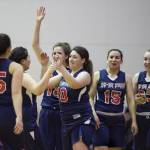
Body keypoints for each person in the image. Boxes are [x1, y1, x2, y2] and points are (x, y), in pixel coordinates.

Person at [32, 6, 71, 150]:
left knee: (62, 146)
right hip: (47, 111)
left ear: (66, 56)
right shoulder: (48, 65)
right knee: (44, 146)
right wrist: (38, 23)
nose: (55, 56)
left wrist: (62, 73)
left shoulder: (71, 72)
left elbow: (49, 84)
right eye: (54, 53)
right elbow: (35, 45)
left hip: (63, 113)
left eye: (59, 53)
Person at [89, 49, 138, 150]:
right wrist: (93, 113)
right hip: (100, 118)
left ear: (121, 60)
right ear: (107, 59)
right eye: (111, 57)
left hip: (118, 120)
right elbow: (90, 96)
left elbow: (130, 100)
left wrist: (134, 120)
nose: (114, 59)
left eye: (117, 57)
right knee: (100, 148)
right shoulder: (98, 74)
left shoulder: (126, 77)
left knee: (115, 148)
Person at [48, 46, 95, 150]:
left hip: (81, 121)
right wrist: (48, 67)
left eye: (75, 57)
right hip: (66, 121)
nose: (71, 59)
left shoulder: (85, 74)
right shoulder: (64, 74)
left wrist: (62, 70)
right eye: (70, 57)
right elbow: (46, 85)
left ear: (83, 60)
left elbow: (75, 84)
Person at [9, 46, 56, 150]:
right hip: (25, 122)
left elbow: (40, 85)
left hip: (14, 119)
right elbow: (38, 90)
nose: (30, 60)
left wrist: (44, 66)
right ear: (22, 61)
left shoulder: (10, 73)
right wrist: (49, 71)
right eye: (28, 57)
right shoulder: (22, 75)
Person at [0, 33, 24, 150]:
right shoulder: (15, 67)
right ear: (9, 49)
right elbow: (16, 94)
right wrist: (19, 117)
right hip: (7, 113)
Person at [132, 49, 150, 150]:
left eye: (149, 59)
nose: (147, 62)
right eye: (145, 59)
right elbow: (131, 99)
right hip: (140, 117)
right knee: (139, 146)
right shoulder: (137, 76)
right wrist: (133, 121)